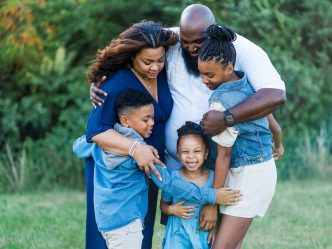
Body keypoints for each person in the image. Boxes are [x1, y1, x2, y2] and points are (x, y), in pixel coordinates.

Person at [90, 3, 286, 243]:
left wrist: (230, 121)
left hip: (223, 169)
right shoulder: (173, 42)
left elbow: (272, 98)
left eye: (198, 43)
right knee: (187, 236)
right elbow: (137, 44)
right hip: (179, 167)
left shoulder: (238, 56)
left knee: (216, 240)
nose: (192, 48)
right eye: (186, 43)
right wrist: (102, 77)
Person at [73, 89, 241, 249]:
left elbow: (78, 146)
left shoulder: (103, 142)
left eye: (153, 118)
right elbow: (169, 183)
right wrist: (212, 195)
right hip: (127, 222)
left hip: (106, 220)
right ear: (125, 121)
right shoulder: (141, 154)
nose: (152, 123)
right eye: (146, 120)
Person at [84, 20, 178, 249]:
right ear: (132, 56)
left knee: (141, 232)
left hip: (148, 166)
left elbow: (185, 33)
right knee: (112, 235)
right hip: (117, 173)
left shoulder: (162, 75)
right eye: (147, 62)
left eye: (160, 60)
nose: (155, 67)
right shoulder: (115, 83)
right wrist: (136, 149)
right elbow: (95, 131)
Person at [197, 24, 283, 249]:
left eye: (209, 74)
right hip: (258, 171)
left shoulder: (219, 103)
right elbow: (272, 122)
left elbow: (223, 156)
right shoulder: (248, 84)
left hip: (249, 178)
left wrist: (212, 202)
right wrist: (279, 143)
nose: (204, 80)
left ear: (228, 67)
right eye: (201, 74)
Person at [160, 121, 221, 249]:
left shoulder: (214, 178)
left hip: (203, 234)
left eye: (197, 151)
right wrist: (172, 210)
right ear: (178, 153)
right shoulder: (173, 178)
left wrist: (216, 229)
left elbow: (220, 208)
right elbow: (163, 204)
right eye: (185, 151)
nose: (191, 157)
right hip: (177, 235)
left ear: (206, 153)